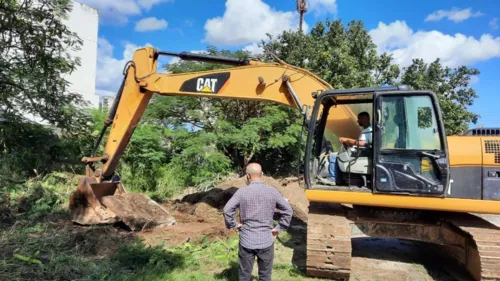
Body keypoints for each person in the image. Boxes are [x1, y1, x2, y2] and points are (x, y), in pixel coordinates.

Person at [223, 163, 293, 281]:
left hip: (246, 240)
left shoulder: (241, 192)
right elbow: (288, 210)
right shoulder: (272, 191)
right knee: (265, 276)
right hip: (266, 240)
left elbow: (227, 210)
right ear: (262, 175)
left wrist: (234, 225)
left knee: (244, 276)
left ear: (247, 176)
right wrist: (278, 228)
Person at [326, 111, 372, 185]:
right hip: (360, 152)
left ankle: (332, 178)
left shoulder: (369, 131)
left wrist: (346, 139)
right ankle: (339, 178)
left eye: (359, 119)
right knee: (339, 154)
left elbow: (362, 143)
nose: (358, 121)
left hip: (359, 155)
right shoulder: (367, 130)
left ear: (365, 118)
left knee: (333, 156)